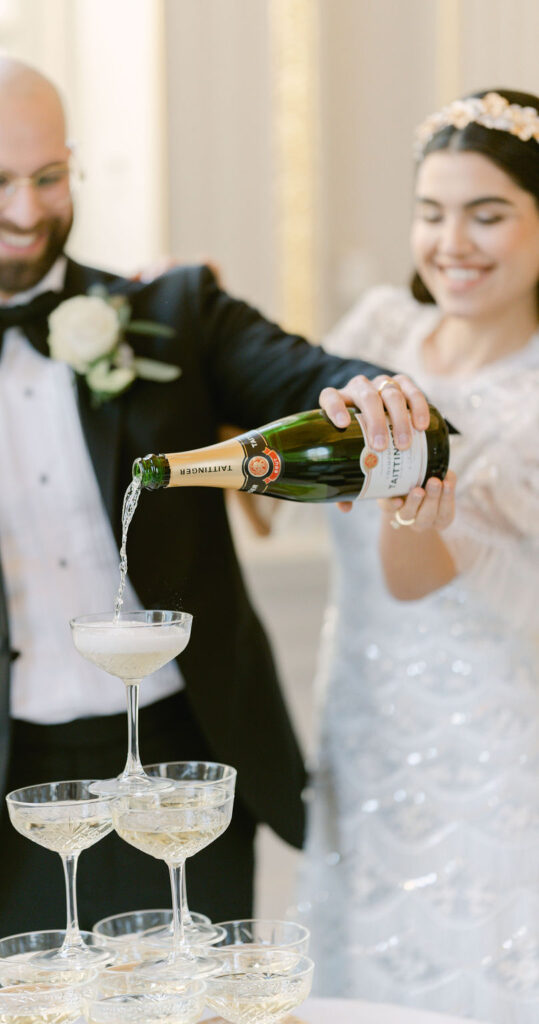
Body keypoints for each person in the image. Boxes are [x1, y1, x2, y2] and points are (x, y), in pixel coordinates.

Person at [0, 56, 430, 1022]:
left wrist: (370, 397)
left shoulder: (172, 314)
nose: (26, 210)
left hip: (179, 786)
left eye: (49, 176)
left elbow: (306, 377)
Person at [293, 88, 539, 1022]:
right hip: (360, 724)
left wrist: (405, 465)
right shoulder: (379, 332)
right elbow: (281, 494)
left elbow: (410, 575)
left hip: (487, 745)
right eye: (431, 213)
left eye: (488, 215)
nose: (452, 244)